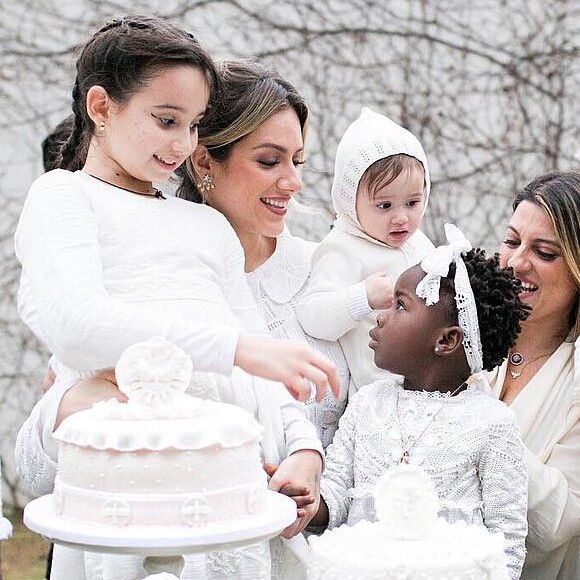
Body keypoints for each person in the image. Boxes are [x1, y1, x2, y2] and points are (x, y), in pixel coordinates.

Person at [13, 15, 336, 580]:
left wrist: (305, 448)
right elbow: (75, 324)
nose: (183, 144)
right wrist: (234, 348)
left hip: (228, 499)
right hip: (134, 491)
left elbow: (261, 362)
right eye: (166, 121)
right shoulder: (63, 197)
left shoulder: (204, 227)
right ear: (102, 107)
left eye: (192, 126)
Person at [308, 224, 530, 580]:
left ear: (446, 341)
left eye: (400, 305)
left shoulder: (492, 423)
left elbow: (507, 542)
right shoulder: (367, 405)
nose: (381, 315)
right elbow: (337, 496)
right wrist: (309, 504)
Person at [182, 59, 350, 451]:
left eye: (297, 160)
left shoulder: (329, 271)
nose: (294, 181)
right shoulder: (161, 281)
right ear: (204, 159)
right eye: (269, 161)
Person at [297, 107, 435, 395]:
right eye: (384, 205)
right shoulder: (343, 247)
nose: (402, 217)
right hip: (380, 394)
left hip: (431, 384)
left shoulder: (419, 243)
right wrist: (362, 297)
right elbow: (312, 315)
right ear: (350, 201)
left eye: (412, 203)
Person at [486, 171, 580, 580]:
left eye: (544, 253)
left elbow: (559, 520)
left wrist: (476, 417)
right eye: (511, 241)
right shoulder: (464, 336)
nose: (516, 262)